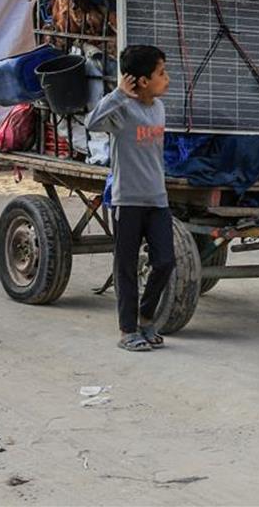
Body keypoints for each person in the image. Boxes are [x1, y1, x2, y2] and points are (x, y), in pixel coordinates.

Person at [85, 45, 175, 352]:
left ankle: (146, 317)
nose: (167, 78)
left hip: (157, 199)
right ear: (142, 81)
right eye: (161, 73)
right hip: (128, 200)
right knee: (125, 266)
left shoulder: (159, 108)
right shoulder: (122, 110)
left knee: (165, 261)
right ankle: (127, 331)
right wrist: (118, 94)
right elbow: (92, 123)